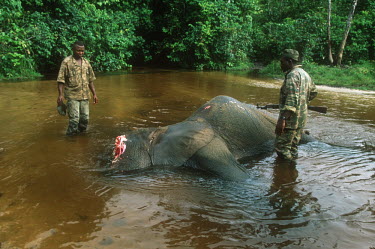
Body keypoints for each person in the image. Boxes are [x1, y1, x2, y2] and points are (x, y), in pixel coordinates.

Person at [275, 49, 317, 160]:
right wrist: (302, 103)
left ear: (289, 61)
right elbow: (313, 92)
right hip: (301, 119)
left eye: (282, 62)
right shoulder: (304, 74)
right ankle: (292, 174)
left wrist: (282, 119)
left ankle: (284, 175)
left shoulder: (292, 75)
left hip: (290, 120)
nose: (281, 65)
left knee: (282, 149)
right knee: (293, 148)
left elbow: (292, 99)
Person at [56, 41, 98, 135]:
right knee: (74, 119)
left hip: (85, 95)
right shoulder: (66, 62)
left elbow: (90, 80)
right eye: (78, 50)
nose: (81, 53)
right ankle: (70, 139)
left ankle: (81, 137)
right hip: (72, 95)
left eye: (82, 51)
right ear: (73, 50)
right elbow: (61, 80)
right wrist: (60, 95)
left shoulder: (86, 63)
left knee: (85, 119)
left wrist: (94, 94)